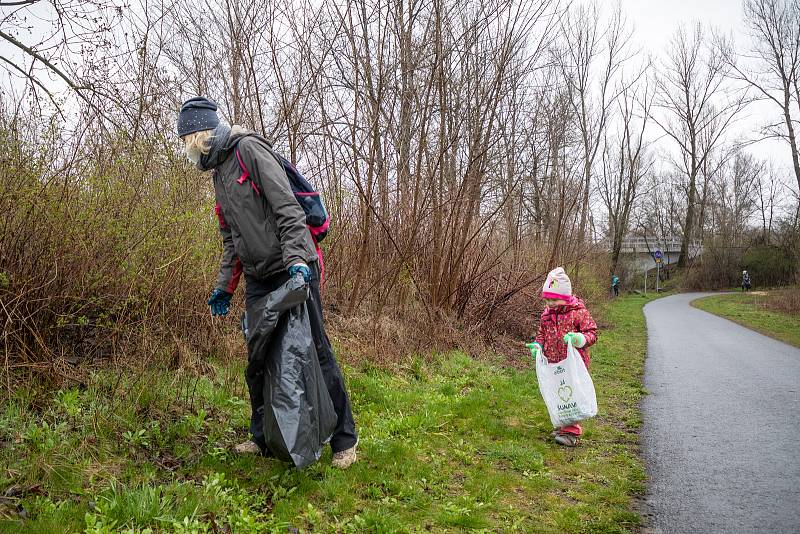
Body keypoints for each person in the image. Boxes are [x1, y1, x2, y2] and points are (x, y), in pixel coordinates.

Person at [177, 96, 358, 469]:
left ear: (199, 135)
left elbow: (288, 208)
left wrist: (296, 261)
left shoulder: (249, 150)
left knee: (316, 349)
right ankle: (262, 437)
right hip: (259, 276)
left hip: (293, 267)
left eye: (185, 142)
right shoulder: (219, 175)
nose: (185, 152)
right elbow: (231, 239)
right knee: (258, 358)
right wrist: (224, 286)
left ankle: (344, 440)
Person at [528, 267, 598, 447]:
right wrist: (538, 345)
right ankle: (563, 425)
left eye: (554, 299)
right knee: (559, 393)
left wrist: (579, 339)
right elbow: (542, 334)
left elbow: (592, 333)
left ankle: (571, 432)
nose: (550, 303)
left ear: (565, 297)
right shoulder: (546, 316)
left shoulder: (578, 312)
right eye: (547, 299)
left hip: (574, 363)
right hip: (554, 361)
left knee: (571, 394)